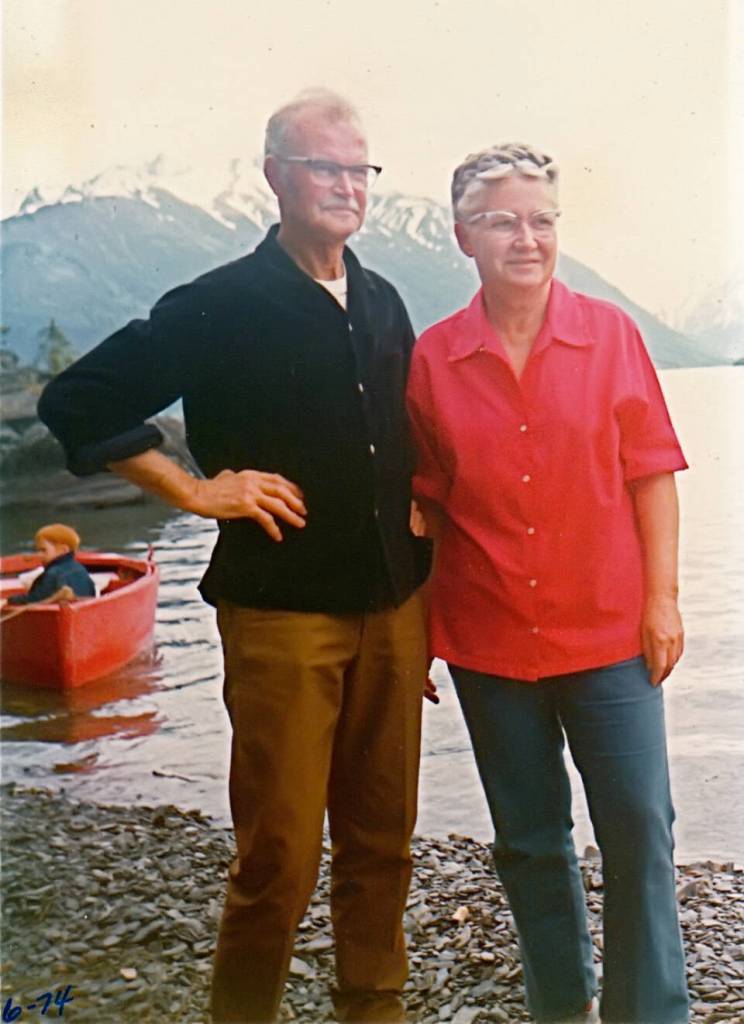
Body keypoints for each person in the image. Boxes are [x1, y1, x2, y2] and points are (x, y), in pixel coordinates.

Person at [38, 90, 431, 1024]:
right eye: (322, 166)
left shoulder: (382, 299)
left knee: (384, 842)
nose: (345, 186)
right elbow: (77, 402)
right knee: (280, 853)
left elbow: (406, 448)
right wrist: (194, 489)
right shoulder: (218, 303)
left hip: (395, 609)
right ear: (275, 177)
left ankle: (373, 1008)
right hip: (282, 614)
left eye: (357, 168)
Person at [406, 143, 690, 1024]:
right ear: (463, 237)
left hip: (609, 634)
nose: (525, 239)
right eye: (501, 221)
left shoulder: (610, 335)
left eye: (541, 220)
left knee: (640, 829)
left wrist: (664, 598)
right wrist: (418, 629)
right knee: (530, 842)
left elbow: (651, 474)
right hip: (489, 641)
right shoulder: (433, 359)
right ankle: (562, 1005)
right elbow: (425, 510)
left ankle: (648, 1012)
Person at [6, 523, 95, 605]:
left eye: (43, 550)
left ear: (63, 550)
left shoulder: (53, 574)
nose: (39, 555)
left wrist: (10, 600)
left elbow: (35, 599)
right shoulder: (80, 568)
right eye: (38, 550)